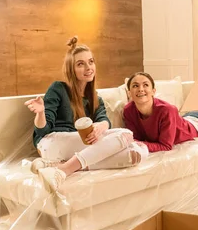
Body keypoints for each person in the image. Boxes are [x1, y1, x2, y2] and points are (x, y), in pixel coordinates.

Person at [24, 37, 148, 192]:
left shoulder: (95, 98)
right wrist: (41, 112)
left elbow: (104, 119)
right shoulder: (58, 88)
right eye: (80, 64)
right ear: (71, 69)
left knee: (135, 154)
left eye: (91, 61)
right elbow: (42, 131)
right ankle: (63, 171)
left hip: (71, 149)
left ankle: (56, 165)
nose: (88, 67)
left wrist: (100, 127)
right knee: (126, 134)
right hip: (50, 143)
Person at [123, 72, 198, 152]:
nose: (141, 89)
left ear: (153, 91)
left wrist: (137, 144)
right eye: (135, 86)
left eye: (145, 85)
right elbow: (136, 138)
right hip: (187, 118)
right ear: (129, 93)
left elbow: (165, 146)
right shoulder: (128, 111)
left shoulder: (167, 110)